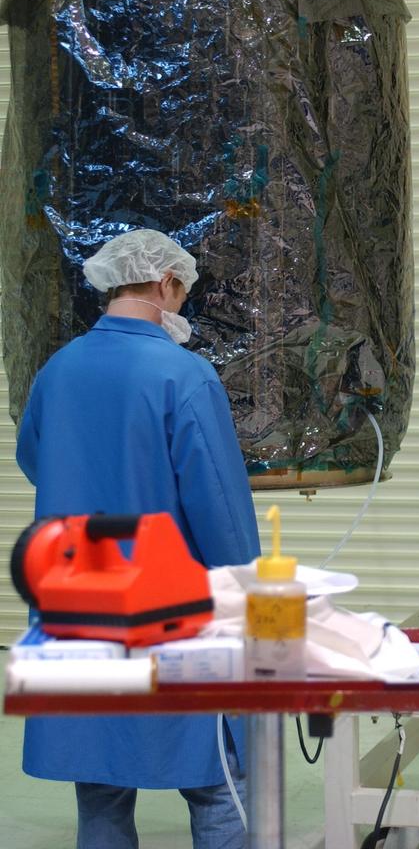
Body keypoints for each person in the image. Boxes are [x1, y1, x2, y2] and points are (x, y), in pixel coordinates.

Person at [16, 228, 261, 849]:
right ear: (164, 283)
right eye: (182, 292)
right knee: (218, 781)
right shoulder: (185, 375)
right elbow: (220, 509)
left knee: (100, 786)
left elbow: (35, 458)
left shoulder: (58, 370)